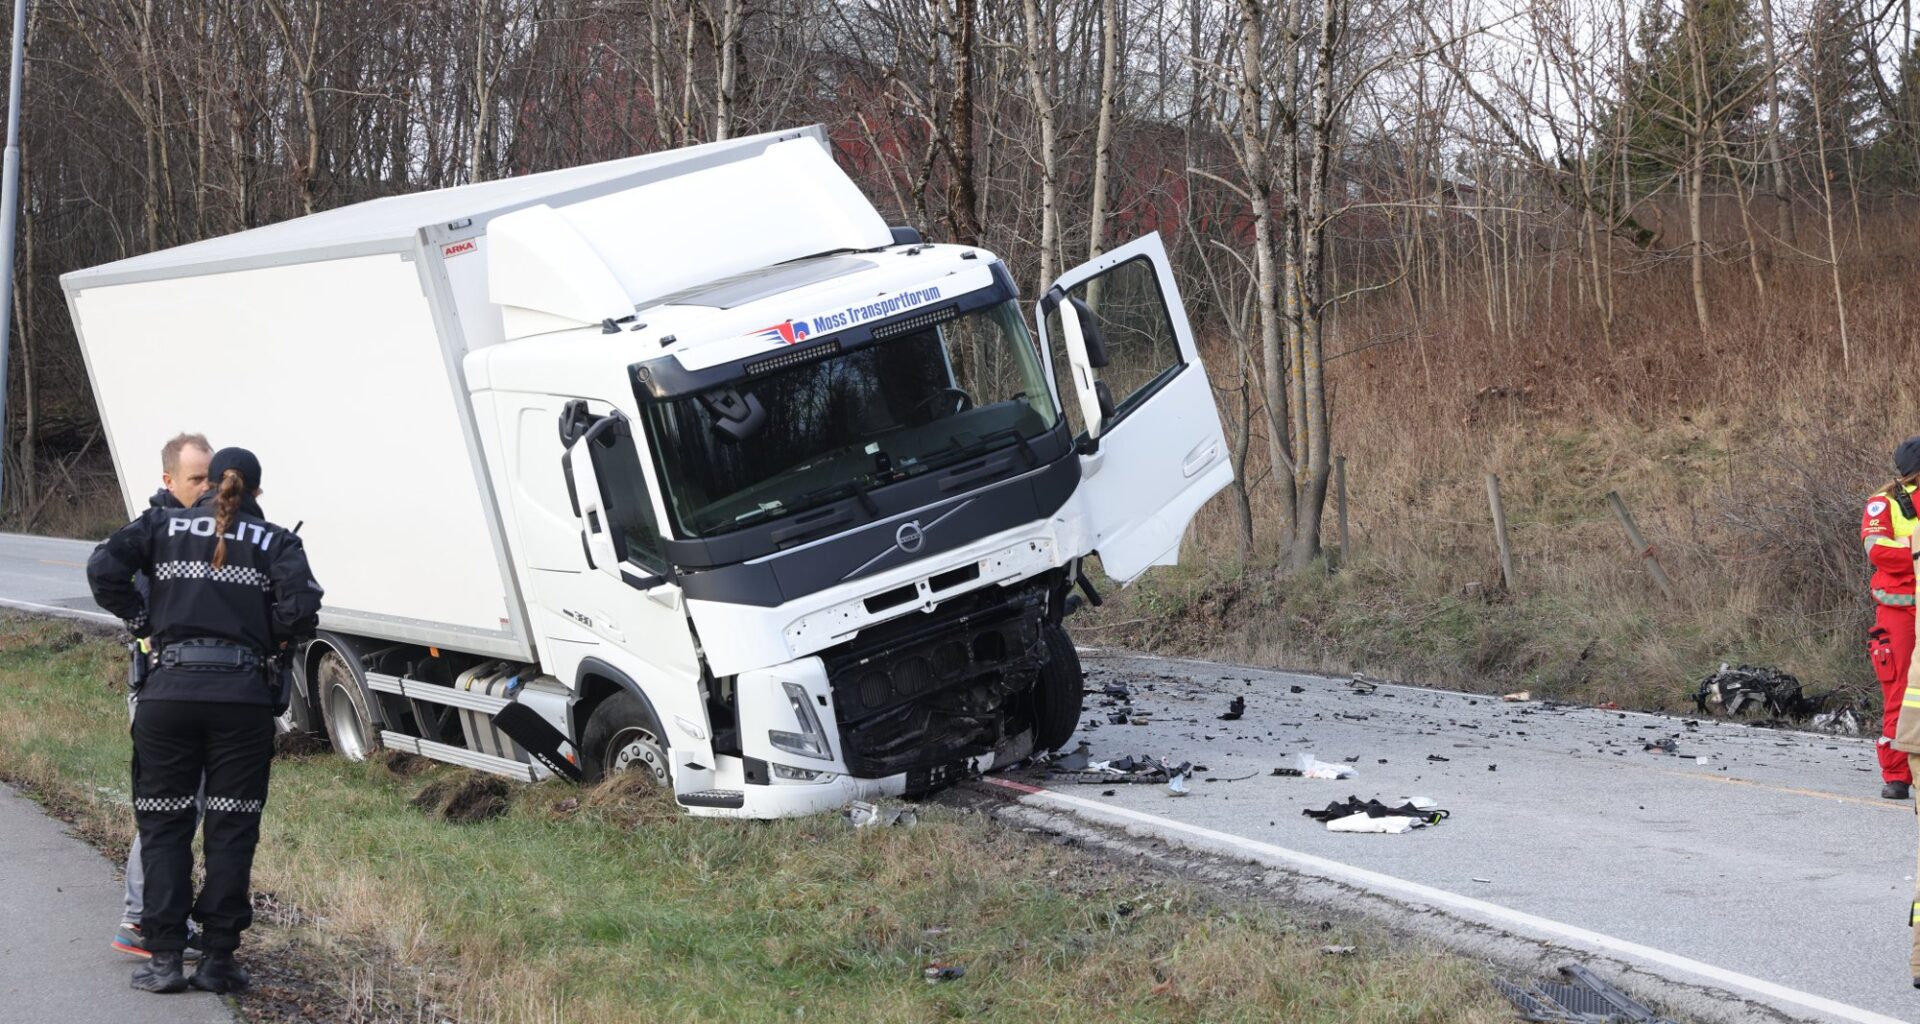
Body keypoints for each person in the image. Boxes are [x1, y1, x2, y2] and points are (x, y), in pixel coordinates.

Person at [86, 447, 323, 994]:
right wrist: (266, 633)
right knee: (231, 828)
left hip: (168, 695)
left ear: (209, 483)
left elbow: (103, 567)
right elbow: (302, 609)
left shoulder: (160, 525)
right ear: (256, 491)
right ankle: (218, 960)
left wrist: (142, 619)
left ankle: (164, 960)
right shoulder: (277, 541)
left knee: (164, 827)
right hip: (242, 700)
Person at [112, 432, 214, 960]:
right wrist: (141, 623)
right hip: (159, 691)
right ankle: (140, 919)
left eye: (213, 477)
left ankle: (152, 914)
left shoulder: (216, 530)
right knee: (170, 810)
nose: (207, 487)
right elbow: (105, 575)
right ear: (168, 480)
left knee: (182, 809)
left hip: (193, 692)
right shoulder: (153, 532)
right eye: (197, 478)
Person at [1862, 436, 1920, 801]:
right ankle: (1897, 774)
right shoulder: (1883, 504)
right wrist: (1916, 552)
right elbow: (1879, 551)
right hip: (1900, 611)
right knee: (1901, 691)